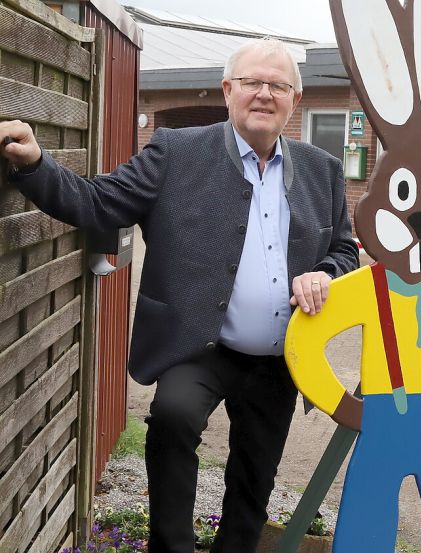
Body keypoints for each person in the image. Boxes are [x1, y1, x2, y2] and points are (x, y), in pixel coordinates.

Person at [0, 38, 359, 552]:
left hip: (282, 356)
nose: (264, 94)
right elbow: (99, 203)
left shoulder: (321, 169)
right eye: (253, 83)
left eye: (277, 86)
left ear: (294, 101)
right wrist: (35, 163)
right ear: (228, 91)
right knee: (172, 418)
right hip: (200, 345)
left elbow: (345, 250)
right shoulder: (176, 151)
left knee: (254, 478)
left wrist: (326, 271)